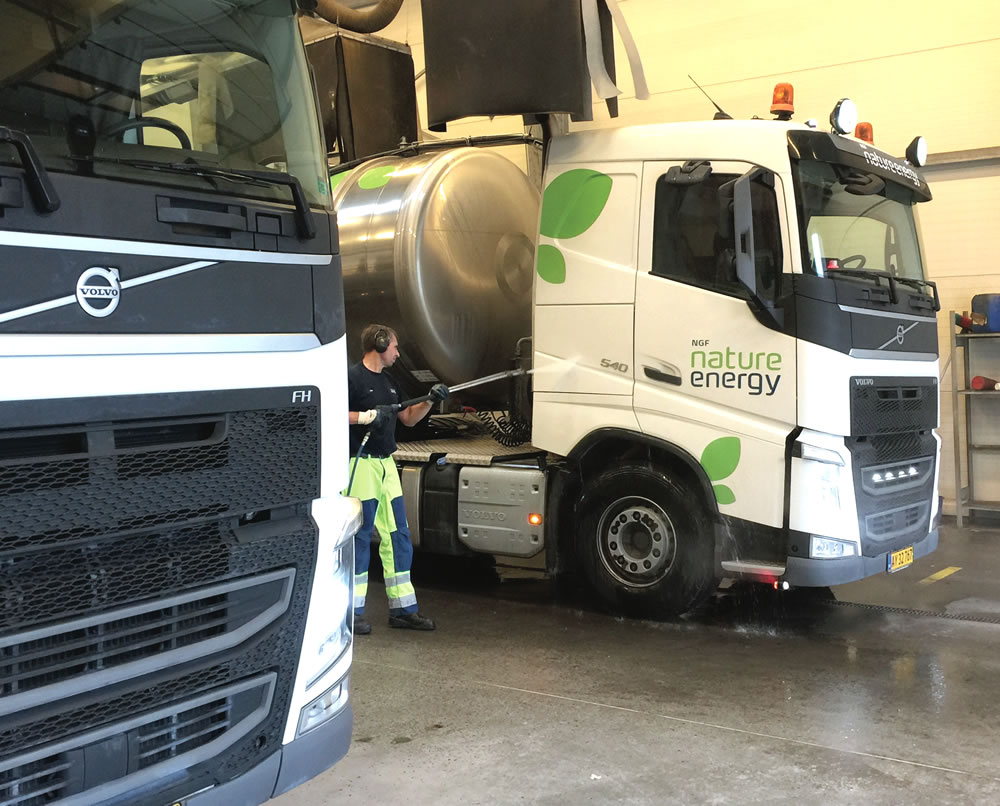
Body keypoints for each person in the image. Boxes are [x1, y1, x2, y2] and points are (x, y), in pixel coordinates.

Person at [346, 323, 449, 634]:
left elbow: (408, 417)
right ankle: (350, 612)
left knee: (398, 536)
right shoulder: (352, 378)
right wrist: (365, 417)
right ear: (378, 344)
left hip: (386, 464)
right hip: (360, 464)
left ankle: (403, 610)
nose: (397, 353)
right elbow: (328, 411)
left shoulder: (390, 381)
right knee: (360, 538)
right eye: (394, 346)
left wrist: (430, 400)